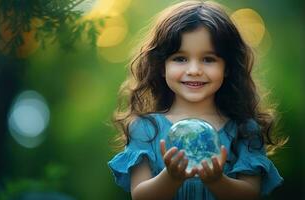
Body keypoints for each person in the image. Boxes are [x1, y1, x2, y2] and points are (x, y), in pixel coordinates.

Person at [108, 1, 286, 199]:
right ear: (161, 66)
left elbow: (250, 194)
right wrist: (171, 177)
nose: (194, 70)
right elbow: (140, 196)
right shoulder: (145, 128)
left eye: (208, 59)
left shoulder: (244, 129)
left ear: (227, 67)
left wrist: (217, 181)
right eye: (180, 58)